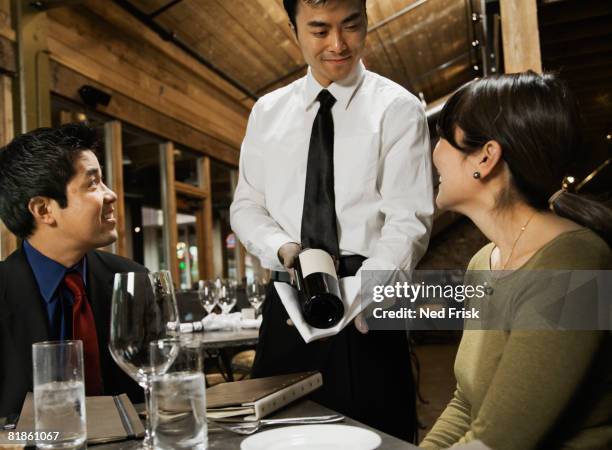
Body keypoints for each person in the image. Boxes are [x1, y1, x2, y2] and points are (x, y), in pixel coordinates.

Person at [230, 0, 433, 441]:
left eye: (351, 26)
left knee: (379, 436)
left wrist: (362, 296)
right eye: (320, 31)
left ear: (366, 20)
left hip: (370, 306)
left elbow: (409, 220)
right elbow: (246, 206)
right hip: (288, 300)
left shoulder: (397, 108)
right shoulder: (267, 113)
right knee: (279, 436)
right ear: (294, 29)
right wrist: (285, 249)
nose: (338, 44)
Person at [420, 71, 612, 449]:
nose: (434, 152)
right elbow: (466, 405)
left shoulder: (576, 264)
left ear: (486, 157)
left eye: (443, 136)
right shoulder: (482, 263)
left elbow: (498, 441)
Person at [0, 123, 144, 417]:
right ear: (43, 210)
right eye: (92, 184)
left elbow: (160, 387)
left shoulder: (133, 281)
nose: (111, 195)